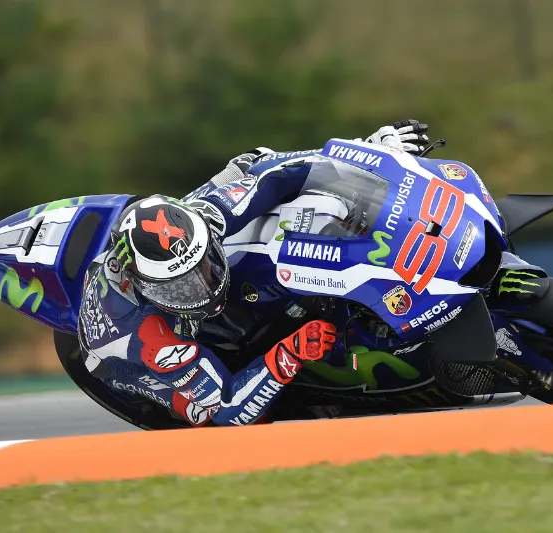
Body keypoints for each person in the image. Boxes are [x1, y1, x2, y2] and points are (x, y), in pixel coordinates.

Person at [77, 120, 431, 427]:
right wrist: (289, 352)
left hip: (179, 266)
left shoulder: (206, 217)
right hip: (136, 364)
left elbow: (277, 170)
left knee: (253, 166)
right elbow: (229, 409)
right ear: (144, 286)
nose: (202, 289)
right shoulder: (153, 340)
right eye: (180, 288)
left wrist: (371, 156)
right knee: (214, 417)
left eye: (203, 267)